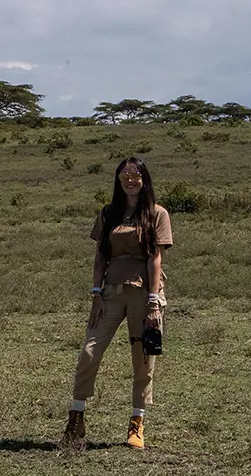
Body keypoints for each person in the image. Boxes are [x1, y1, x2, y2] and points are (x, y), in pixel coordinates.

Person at [63, 157, 172, 451]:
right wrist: (95, 294)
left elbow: (155, 258)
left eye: (136, 175)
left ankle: (137, 423)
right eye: (125, 175)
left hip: (144, 293)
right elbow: (100, 257)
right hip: (110, 291)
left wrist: (152, 301)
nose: (130, 180)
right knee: (89, 350)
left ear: (144, 179)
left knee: (143, 358)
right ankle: (76, 418)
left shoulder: (157, 214)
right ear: (118, 179)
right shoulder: (109, 213)